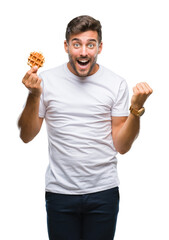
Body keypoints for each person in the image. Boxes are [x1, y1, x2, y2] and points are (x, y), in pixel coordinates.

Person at [18, 15, 153, 240]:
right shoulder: (46, 81)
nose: (83, 52)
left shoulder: (115, 83)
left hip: (104, 192)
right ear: (66, 46)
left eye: (90, 44)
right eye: (76, 44)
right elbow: (26, 135)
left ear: (99, 47)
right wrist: (34, 95)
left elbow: (122, 145)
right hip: (60, 193)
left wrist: (136, 110)